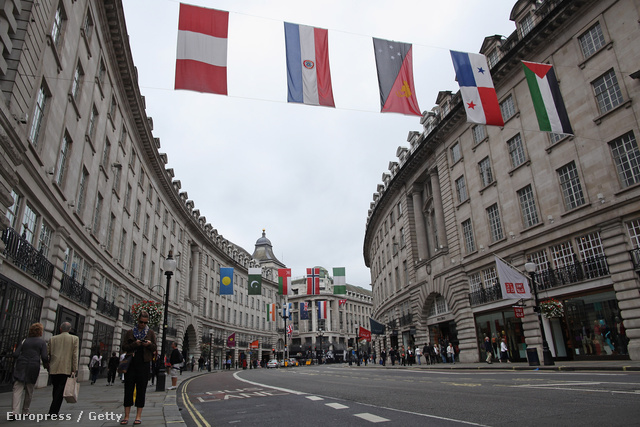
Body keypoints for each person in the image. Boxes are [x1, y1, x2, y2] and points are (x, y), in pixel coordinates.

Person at [120, 310, 157, 425]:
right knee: (128, 390)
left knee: (141, 390)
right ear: (138, 320)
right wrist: (134, 344)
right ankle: (126, 416)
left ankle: (138, 416)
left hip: (144, 364)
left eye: (145, 323)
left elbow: (155, 348)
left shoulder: (150, 333)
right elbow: (124, 347)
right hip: (131, 364)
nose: (143, 324)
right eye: (141, 322)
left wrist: (149, 344)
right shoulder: (130, 332)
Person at [11, 322, 49, 416]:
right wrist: (47, 365)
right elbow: (44, 357)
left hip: (22, 365)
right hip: (33, 366)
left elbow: (15, 354)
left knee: (17, 388)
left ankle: (15, 412)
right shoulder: (42, 342)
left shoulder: (24, 341)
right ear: (40, 332)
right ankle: (25, 410)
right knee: (29, 389)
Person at [48, 321, 79, 415]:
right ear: (69, 329)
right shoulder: (74, 339)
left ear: (60, 329)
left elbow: (48, 353)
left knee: (56, 388)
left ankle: (54, 410)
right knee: (60, 390)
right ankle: (53, 411)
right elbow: (75, 355)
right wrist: (75, 368)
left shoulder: (53, 339)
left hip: (54, 368)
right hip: (66, 368)